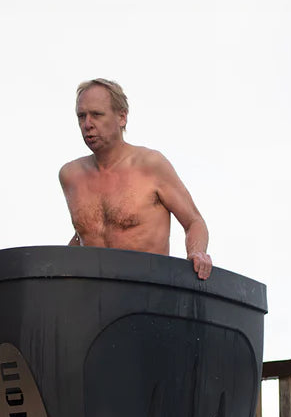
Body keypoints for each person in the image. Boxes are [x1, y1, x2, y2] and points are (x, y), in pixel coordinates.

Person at [58, 78, 213, 280]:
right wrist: (57, 269)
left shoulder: (151, 165)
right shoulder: (71, 176)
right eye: (81, 116)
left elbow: (194, 221)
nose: (87, 124)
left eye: (96, 115)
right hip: (94, 295)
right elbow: (86, 235)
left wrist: (196, 253)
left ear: (122, 117)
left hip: (147, 292)